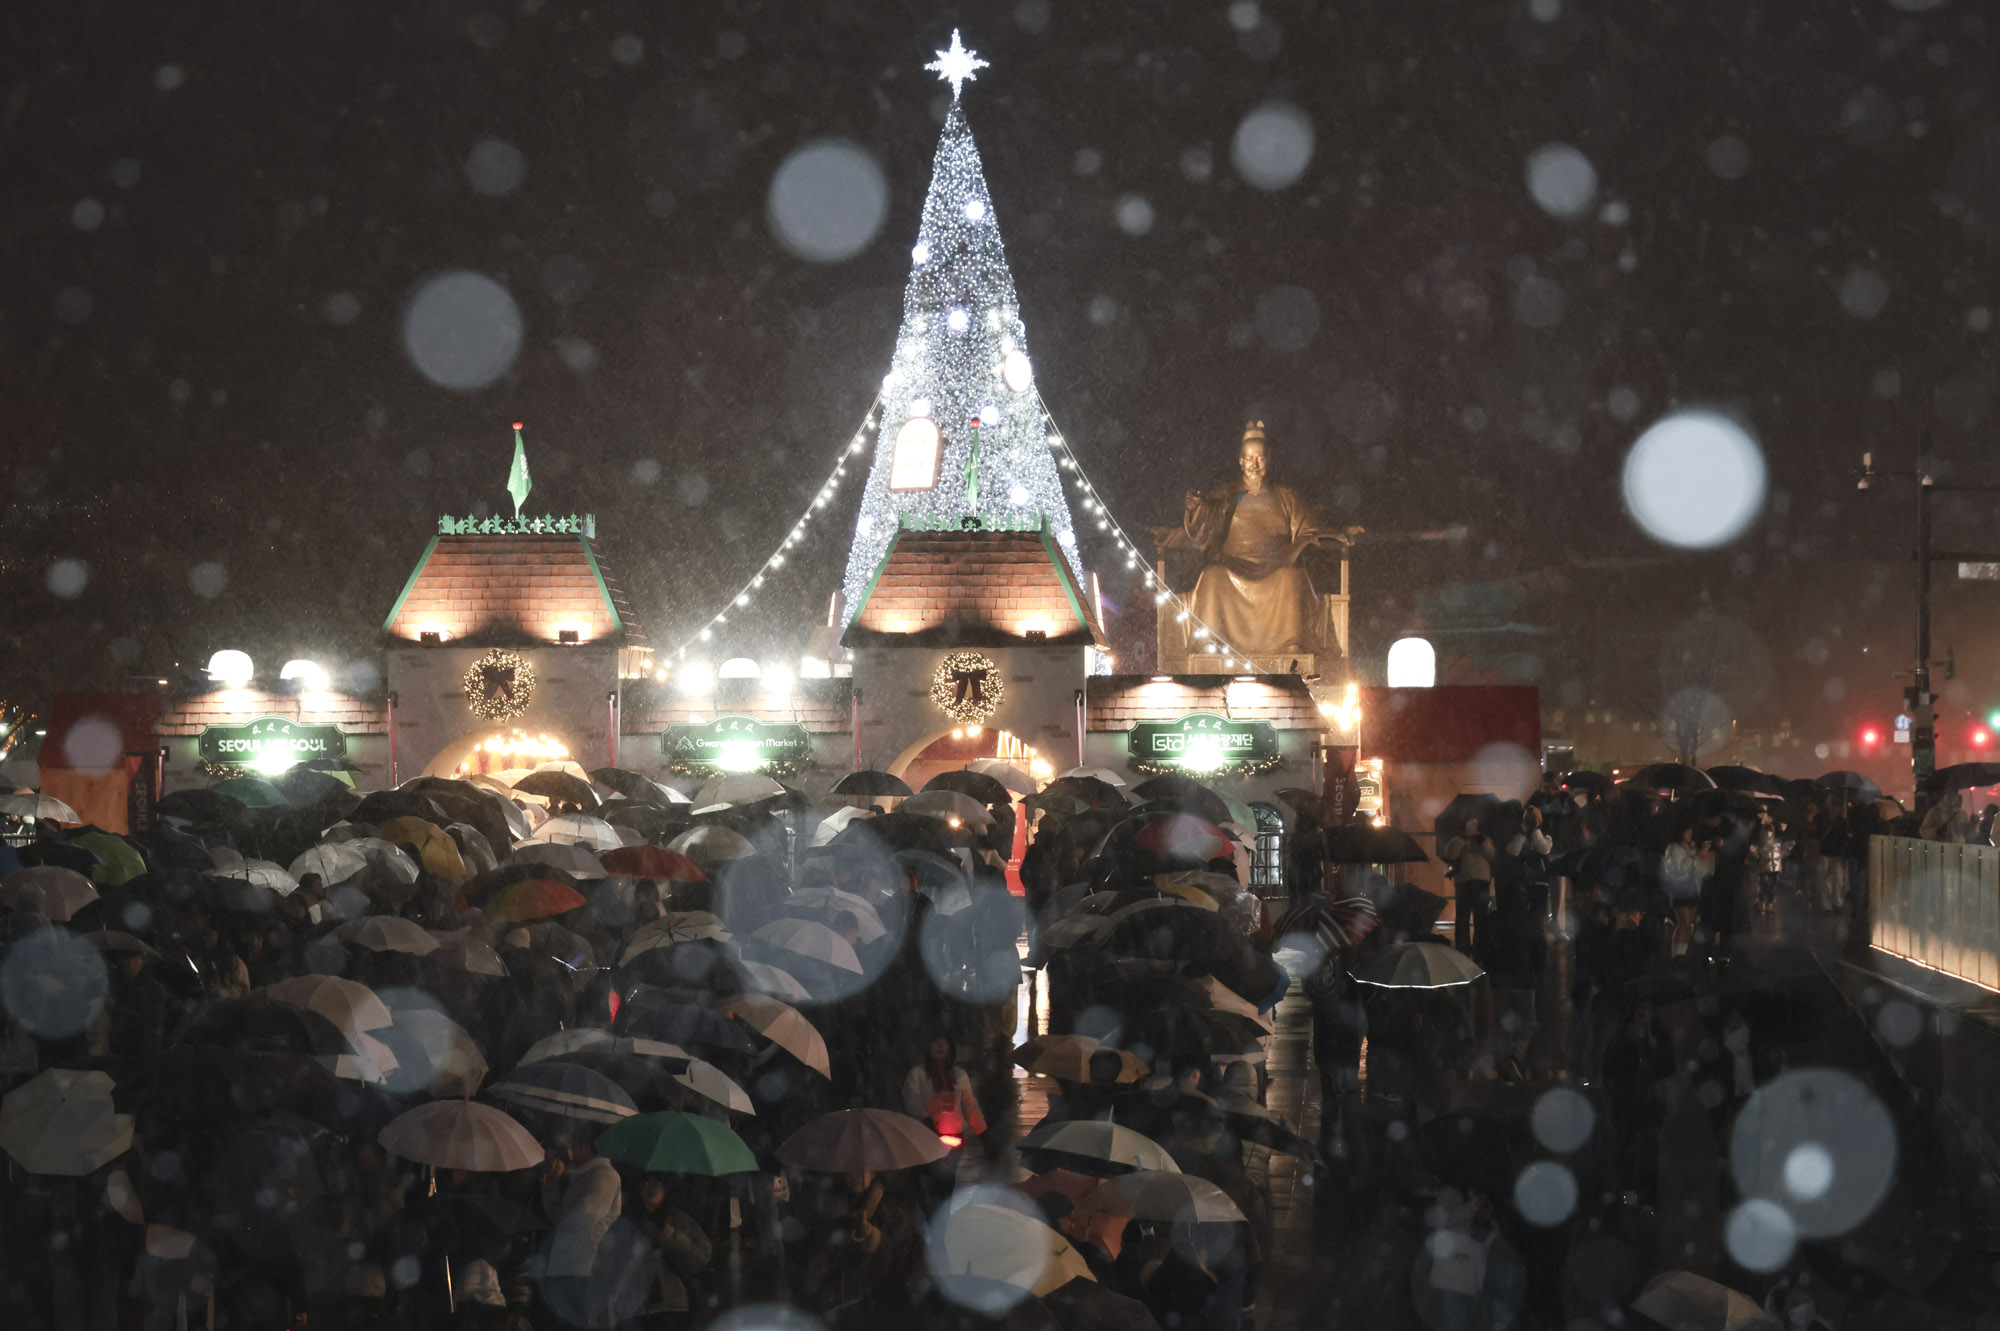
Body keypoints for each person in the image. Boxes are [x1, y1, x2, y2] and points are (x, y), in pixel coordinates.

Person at [1156, 420, 1351, 658]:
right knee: (1211, 576)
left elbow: (1309, 528)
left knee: (1292, 578)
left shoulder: (1286, 497)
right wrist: (1197, 509)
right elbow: (1204, 526)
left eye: (1259, 458)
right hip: (1233, 565)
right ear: (1240, 461)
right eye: (1249, 458)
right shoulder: (1226, 495)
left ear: (1268, 459)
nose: (1254, 464)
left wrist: (1333, 534)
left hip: (1276, 565)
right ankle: (1209, 643)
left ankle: (1291, 644)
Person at [538, 1136, 622, 1326]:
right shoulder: (580, 1177)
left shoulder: (605, 1176)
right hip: (568, 1266)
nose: (569, 1152)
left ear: (586, 1148)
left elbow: (582, 1216)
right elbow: (558, 1215)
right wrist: (551, 1185)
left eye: (573, 1145)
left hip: (585, 1268)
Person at [1475, 884, 1546, 1080]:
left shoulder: (1493, 921)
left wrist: (1491, 967)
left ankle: (1505, 1064)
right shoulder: (1531, 921)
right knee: (1526, 1024)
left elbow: (1483, 948)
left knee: (1503, 1025)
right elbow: (1539, 951)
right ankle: (1515, 1058)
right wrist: (1537, 972)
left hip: (1500, 981)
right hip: (1524, 981)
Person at [1443, 819, 1497, 957]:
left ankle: (1480, 950)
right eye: (1469, 825)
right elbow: (1450, 854)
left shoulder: (1485, 839)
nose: (1472, 828)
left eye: (1474, 825)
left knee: (1481, 918)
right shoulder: (1457, 840)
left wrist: (1481, 840)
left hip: (1481, 881)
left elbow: (1491, 855)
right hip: (1463, 882)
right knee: (1462, 918)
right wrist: (1461, 839)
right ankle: (1463, 949)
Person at [1660, 826, 1704, 956]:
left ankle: (1682, 954)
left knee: (1689, 924)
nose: (1690, 833)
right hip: (1680, 889)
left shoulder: (1688, 847)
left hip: (1691, 888)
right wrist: (1693, 858)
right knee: (1683, 923)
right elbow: (1676, 869)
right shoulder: (1673, 848)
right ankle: (1676, 955)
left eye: (1691, 830)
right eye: (1687, 830)